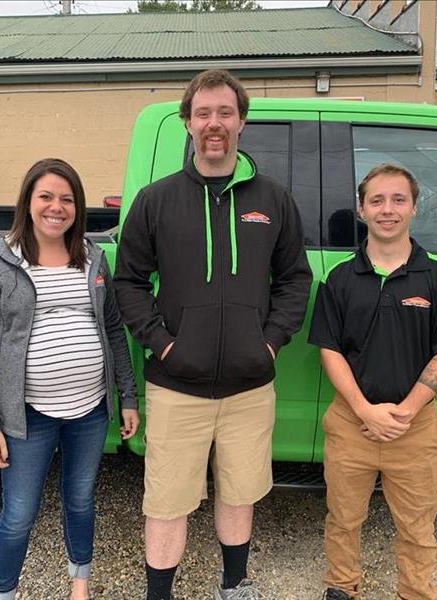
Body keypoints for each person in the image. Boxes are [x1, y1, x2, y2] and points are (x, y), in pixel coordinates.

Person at [114, 69, 311, 600]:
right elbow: (128, 282)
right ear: (187, 123)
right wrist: (164, 343)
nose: (214, 124)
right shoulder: (156, 201)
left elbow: (295, 279)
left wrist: (268, 342)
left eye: (225, 113)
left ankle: (234, 585)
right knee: (167, 502)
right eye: (203, 114)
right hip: (177, 385)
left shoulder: (272, 199)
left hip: (249, 387)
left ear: (242, 122)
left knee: (239, 494)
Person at [0, 158, 139, 600]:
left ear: (77, 207)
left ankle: (79, 584)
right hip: (27, 416)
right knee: (19, 513)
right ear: (28, 201)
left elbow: (113, 329)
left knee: (80, 500)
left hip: (90, 410)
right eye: (46, 196)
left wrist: (128, 396)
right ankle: (4, 592)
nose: (56, 207)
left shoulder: (93, 258)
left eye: (66, 199)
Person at [309, 164, 437, 600]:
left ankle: (415, 592)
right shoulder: (340, 280)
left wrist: (408, 409)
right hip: (351, 424)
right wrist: (364, 410)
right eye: (378, 201)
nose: (388, 210)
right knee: (343, 518)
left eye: (398, 200)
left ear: (414, 208)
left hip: (415, 428)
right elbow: (330, 350)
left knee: (418, 525)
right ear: (362, 210)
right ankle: (341, 586)